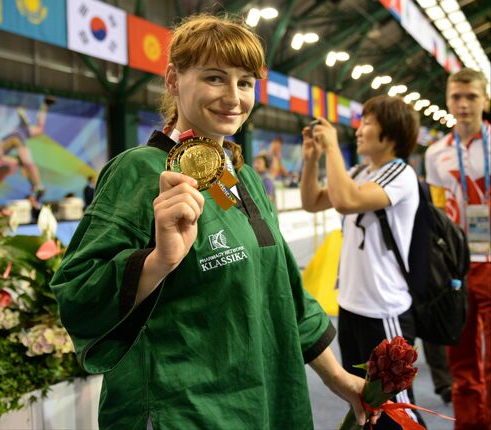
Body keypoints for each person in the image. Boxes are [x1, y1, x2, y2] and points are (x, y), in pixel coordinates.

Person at [50, 14, 376, 430]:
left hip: (267, 400)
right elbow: (77, 291)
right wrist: (158, 261)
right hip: (184, 410)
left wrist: (340, 379)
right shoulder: (139, 171)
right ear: (173, 80)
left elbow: (286, 296)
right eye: (215, 78)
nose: (234, 97)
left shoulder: (244, 178)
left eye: (245, 82)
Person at [300, 96, 425, 429]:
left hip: (384, 310)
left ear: (391, 132)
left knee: (399, 411)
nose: (359, 129)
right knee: (365, 407)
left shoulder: (399, 173)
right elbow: (312, 202)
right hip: (352, 309)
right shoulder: (358, 171)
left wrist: (331, 149)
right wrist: (312, 158)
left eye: (368, 122)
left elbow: (347, 200)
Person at [424, 68, 490, 430]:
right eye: (456, 98)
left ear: (484, 100)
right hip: (458, 269)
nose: (463, 105)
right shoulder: (436, 154)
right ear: (448, 101)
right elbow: (437, 214)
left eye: (471, 97)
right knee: (462, 363)